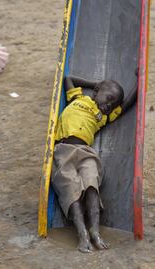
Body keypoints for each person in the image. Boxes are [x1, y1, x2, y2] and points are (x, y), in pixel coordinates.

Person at [52, 71, 138, 253]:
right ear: (96, 91)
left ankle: (95, 232)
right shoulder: (78, 99)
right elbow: (69, 79)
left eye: (112, 103)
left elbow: (127, 104)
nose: (108, 105)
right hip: (64, 150)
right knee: (71, 191)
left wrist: (140, 81)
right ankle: (82, 234)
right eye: (108, 99)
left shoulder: (104, 116)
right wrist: (95, 83)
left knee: (92, 186)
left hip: (86, 153)